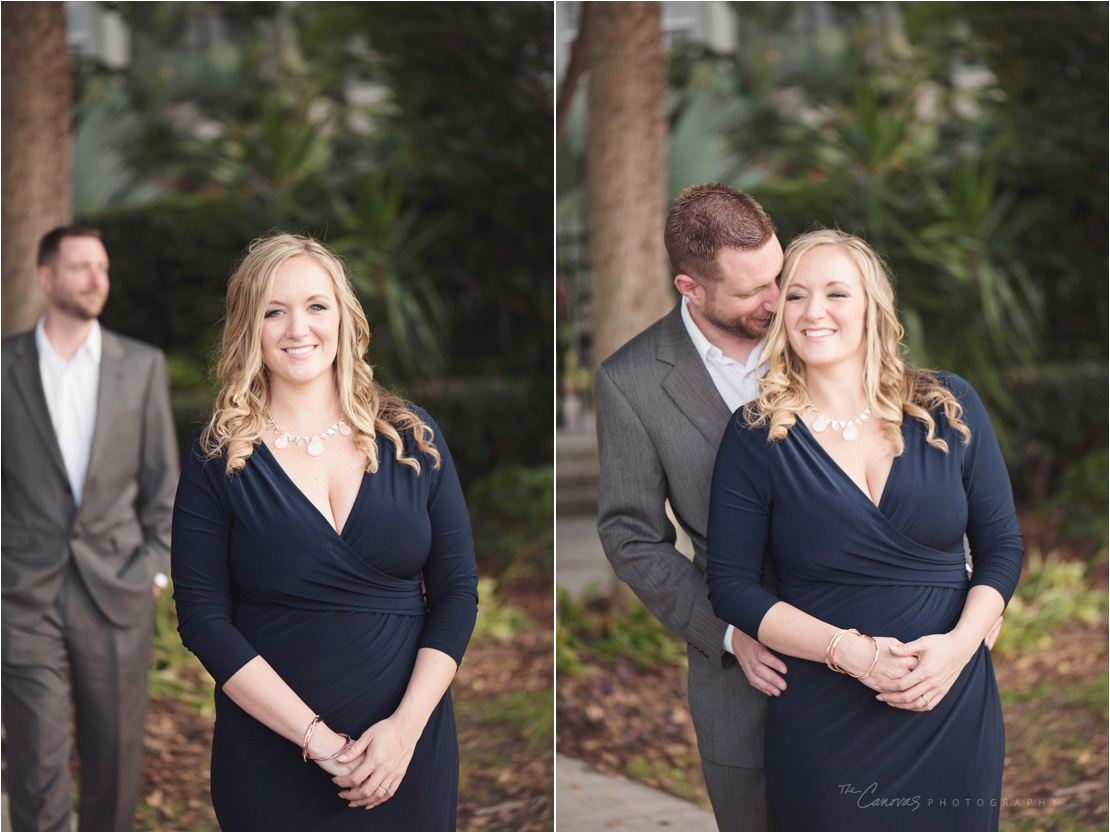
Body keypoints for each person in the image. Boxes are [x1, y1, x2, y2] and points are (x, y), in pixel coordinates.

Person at [706, 229, 1024, 831]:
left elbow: (1001, 547)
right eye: (795, 296)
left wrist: (958, 649)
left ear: (873, 306)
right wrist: (852, 654)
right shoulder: (755, 433)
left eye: (836, 293)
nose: (814, 312)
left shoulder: (947, 404)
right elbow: (731, 586)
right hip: (827, 716)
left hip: (950, 699)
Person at [171, 233, 479, 830]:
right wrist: (319, 743)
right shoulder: (216, 453)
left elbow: (457, 591)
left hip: (405, 752)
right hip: (271, 753)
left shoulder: (413, 439)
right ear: (248, 326)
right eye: (273, 310)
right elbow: (204, 618)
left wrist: (404, 730)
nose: (298, 328)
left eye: (316, 305)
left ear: (345, 317)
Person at [595, 184, 787, 832]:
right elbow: (631, 535)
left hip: (868, 631)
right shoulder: (631, 382)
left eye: (778, 276)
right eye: (752, 291)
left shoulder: (820, 329)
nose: (779, 301)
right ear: (690, 287)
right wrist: (730, 633)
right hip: (742, 676)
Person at [2, 226, 179, 832]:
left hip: (119, 590)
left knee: (114, 761)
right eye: (79, 267)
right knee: (35, 763)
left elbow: (165, 486)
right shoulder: (3, 366)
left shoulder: (143, 367)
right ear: (46, 278)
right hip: (23, 598)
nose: (96, 279)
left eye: (101, 267)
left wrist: (154, 571)